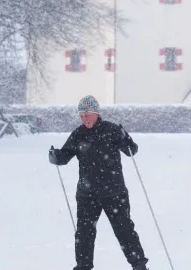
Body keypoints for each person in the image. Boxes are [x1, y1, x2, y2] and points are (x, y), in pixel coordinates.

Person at [49, 95, 149, 270]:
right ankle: (83, 266)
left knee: (124, 231)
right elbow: (65, 156)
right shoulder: (78, 134)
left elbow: (131, 150)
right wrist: (56, 157)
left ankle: (139, 266)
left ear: (96, 113)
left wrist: (126, 138)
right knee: (84, 234)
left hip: (114, 192)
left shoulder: (111, 130)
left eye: (87, 114)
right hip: (87, 194)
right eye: (81, 115)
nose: (84, 118)